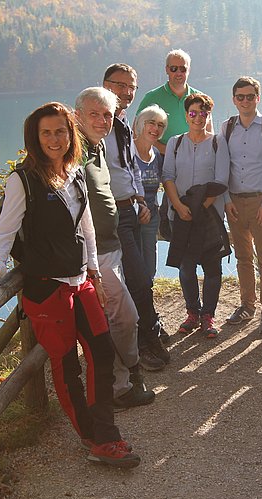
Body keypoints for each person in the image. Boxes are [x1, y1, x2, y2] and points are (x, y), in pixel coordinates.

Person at [0, 102, 140, 468]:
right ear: (35, 137)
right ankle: (95, 439)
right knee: (65, 365)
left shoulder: (74, 173)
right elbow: (4, 232)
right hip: (47, 288)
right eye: (46, 133)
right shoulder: (22, 181)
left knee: (102, 353)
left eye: (60, 131)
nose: (54, 139)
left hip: (81, 283)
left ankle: (104, 432)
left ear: (70, 134)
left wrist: (94, 271)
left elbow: (86, 225)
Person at [74, 87, 155, 410]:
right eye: (94, 114)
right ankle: (123, 379)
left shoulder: (97, 149)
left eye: (107, 114)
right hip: (93, 256)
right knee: (124, 317)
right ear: (77, 114)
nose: (102, 120)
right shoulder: (73, 152)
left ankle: (122, 379)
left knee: (115, 317)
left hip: (110, 247)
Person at [102, 63, 170, 371]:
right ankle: (143, 344)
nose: (127, 92)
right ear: (106, 84)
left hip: (130, 207)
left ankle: (148, 333)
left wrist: (139, 198)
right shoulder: (97, 125)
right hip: (111, 212)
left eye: (132, 87)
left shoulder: (123, 122)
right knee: (136, 279)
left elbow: (128, 168)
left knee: (138, 277)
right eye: (120, 85)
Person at [163, 93, 230, 338]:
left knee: (212, 268)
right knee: (186, 268)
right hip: (180, 215)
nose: (198, 118)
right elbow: (167, 176)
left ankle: (208, 316)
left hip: (208, 215)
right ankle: (192, 312)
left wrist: (201, 207)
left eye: (203, 113)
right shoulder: (175, 143)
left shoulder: (217, 142)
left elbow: (221, 180)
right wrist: (180, 208)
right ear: (186, 114)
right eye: (193, 113)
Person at [222, 76, 262, 335]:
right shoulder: (226, 127)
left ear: (258, 98)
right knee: (243, 257)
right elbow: (222, 168)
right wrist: (226, 201)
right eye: (240, 97)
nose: (245, 101)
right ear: (234, 100)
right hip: (235, 202)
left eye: (250, 96)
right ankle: (247, 305)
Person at [136, 49, 208, 154]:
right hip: (160, 157)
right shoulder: (151, 97)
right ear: (167, 70)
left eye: (183, 69)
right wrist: (169, 151)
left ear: (188, 70)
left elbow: (208, 133)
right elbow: (137, 132)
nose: (178, 73)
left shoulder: (201, 98)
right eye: (174, 68)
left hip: (193, 157)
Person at [132, 105, 168, 281]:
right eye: (151, 123)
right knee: (132, 263)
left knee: (150, 265)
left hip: (152, 217)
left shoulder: (156, 155)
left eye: (160, 125)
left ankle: (147, 301)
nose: (156, 129)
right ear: (140, 124)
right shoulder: (127, 152)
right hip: (130, 217)